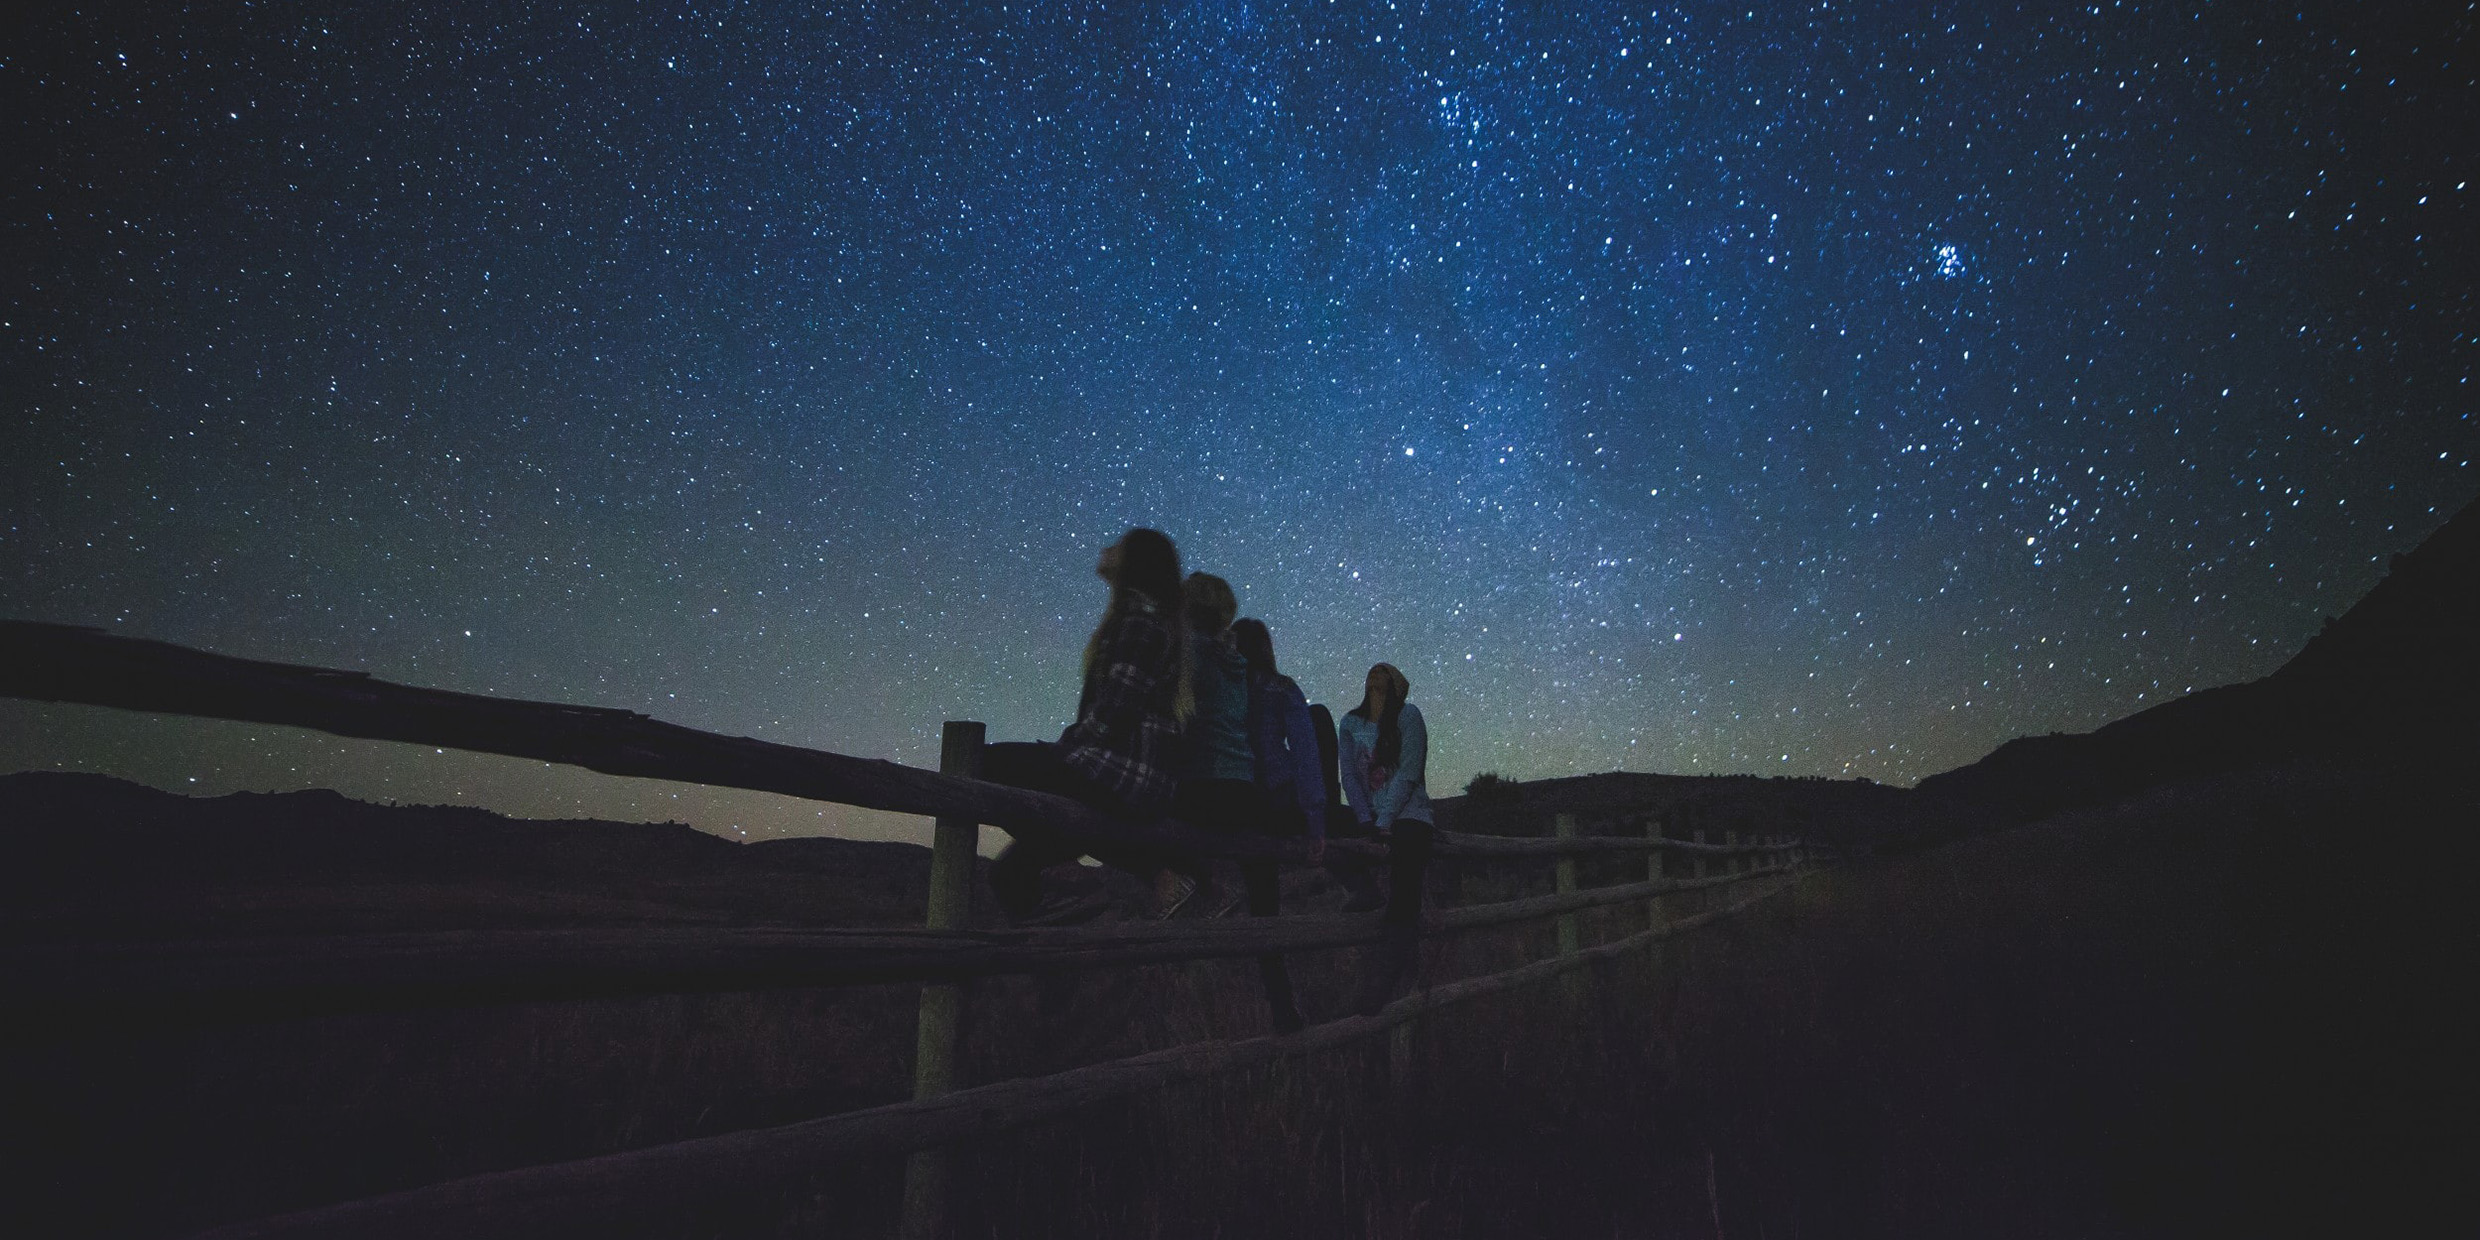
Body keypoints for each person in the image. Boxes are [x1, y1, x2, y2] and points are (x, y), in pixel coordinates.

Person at [982, 528, 1193, 925]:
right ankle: (1063, 918)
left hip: (1126, 775)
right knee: (1009, 875)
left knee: (983, 763)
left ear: (1135, 563)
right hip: (1128, 772)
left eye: (1119, 545)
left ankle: (1142, 875)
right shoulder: (1142, 620)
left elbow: (1113, 714)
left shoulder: (1140, 622)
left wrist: (1063, 750)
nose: (1105, 549)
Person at [1166, 578, 1307, 1030]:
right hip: (1245, 791)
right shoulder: (1241, 669)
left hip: (1204, 786)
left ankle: (1195, 885)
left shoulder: (1191, 657)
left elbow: (1180, 725)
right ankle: (1284, 1008)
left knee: (1140, 814)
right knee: (1266, 906)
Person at [1333, 662, 1434, 1011]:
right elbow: (1348, 774)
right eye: (1371, 674)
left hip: (1408, 814)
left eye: (1385, 675)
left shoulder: (1409, 717)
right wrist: (1364, 818)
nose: (1376, 676)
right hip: (1372, 815)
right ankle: (1364, 892)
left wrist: (1386, 820)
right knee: (1328, 825)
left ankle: (1381, 982)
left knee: (1405, 893)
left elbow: (1408, 772)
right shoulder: (1349, 723)